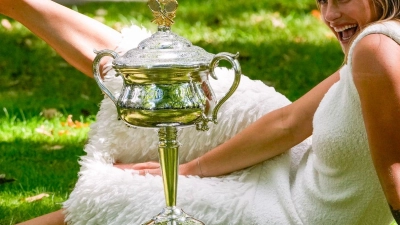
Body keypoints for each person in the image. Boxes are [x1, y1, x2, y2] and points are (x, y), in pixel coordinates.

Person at [1, 0, 399, 224]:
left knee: (121, 198)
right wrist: (195, 168)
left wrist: (183, 178)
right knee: (171, 72)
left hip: (296, 212)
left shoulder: (377, 47)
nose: (330, 17)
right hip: (299, 158)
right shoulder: (375, 44)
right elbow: (289, 123)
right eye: (322, 1)